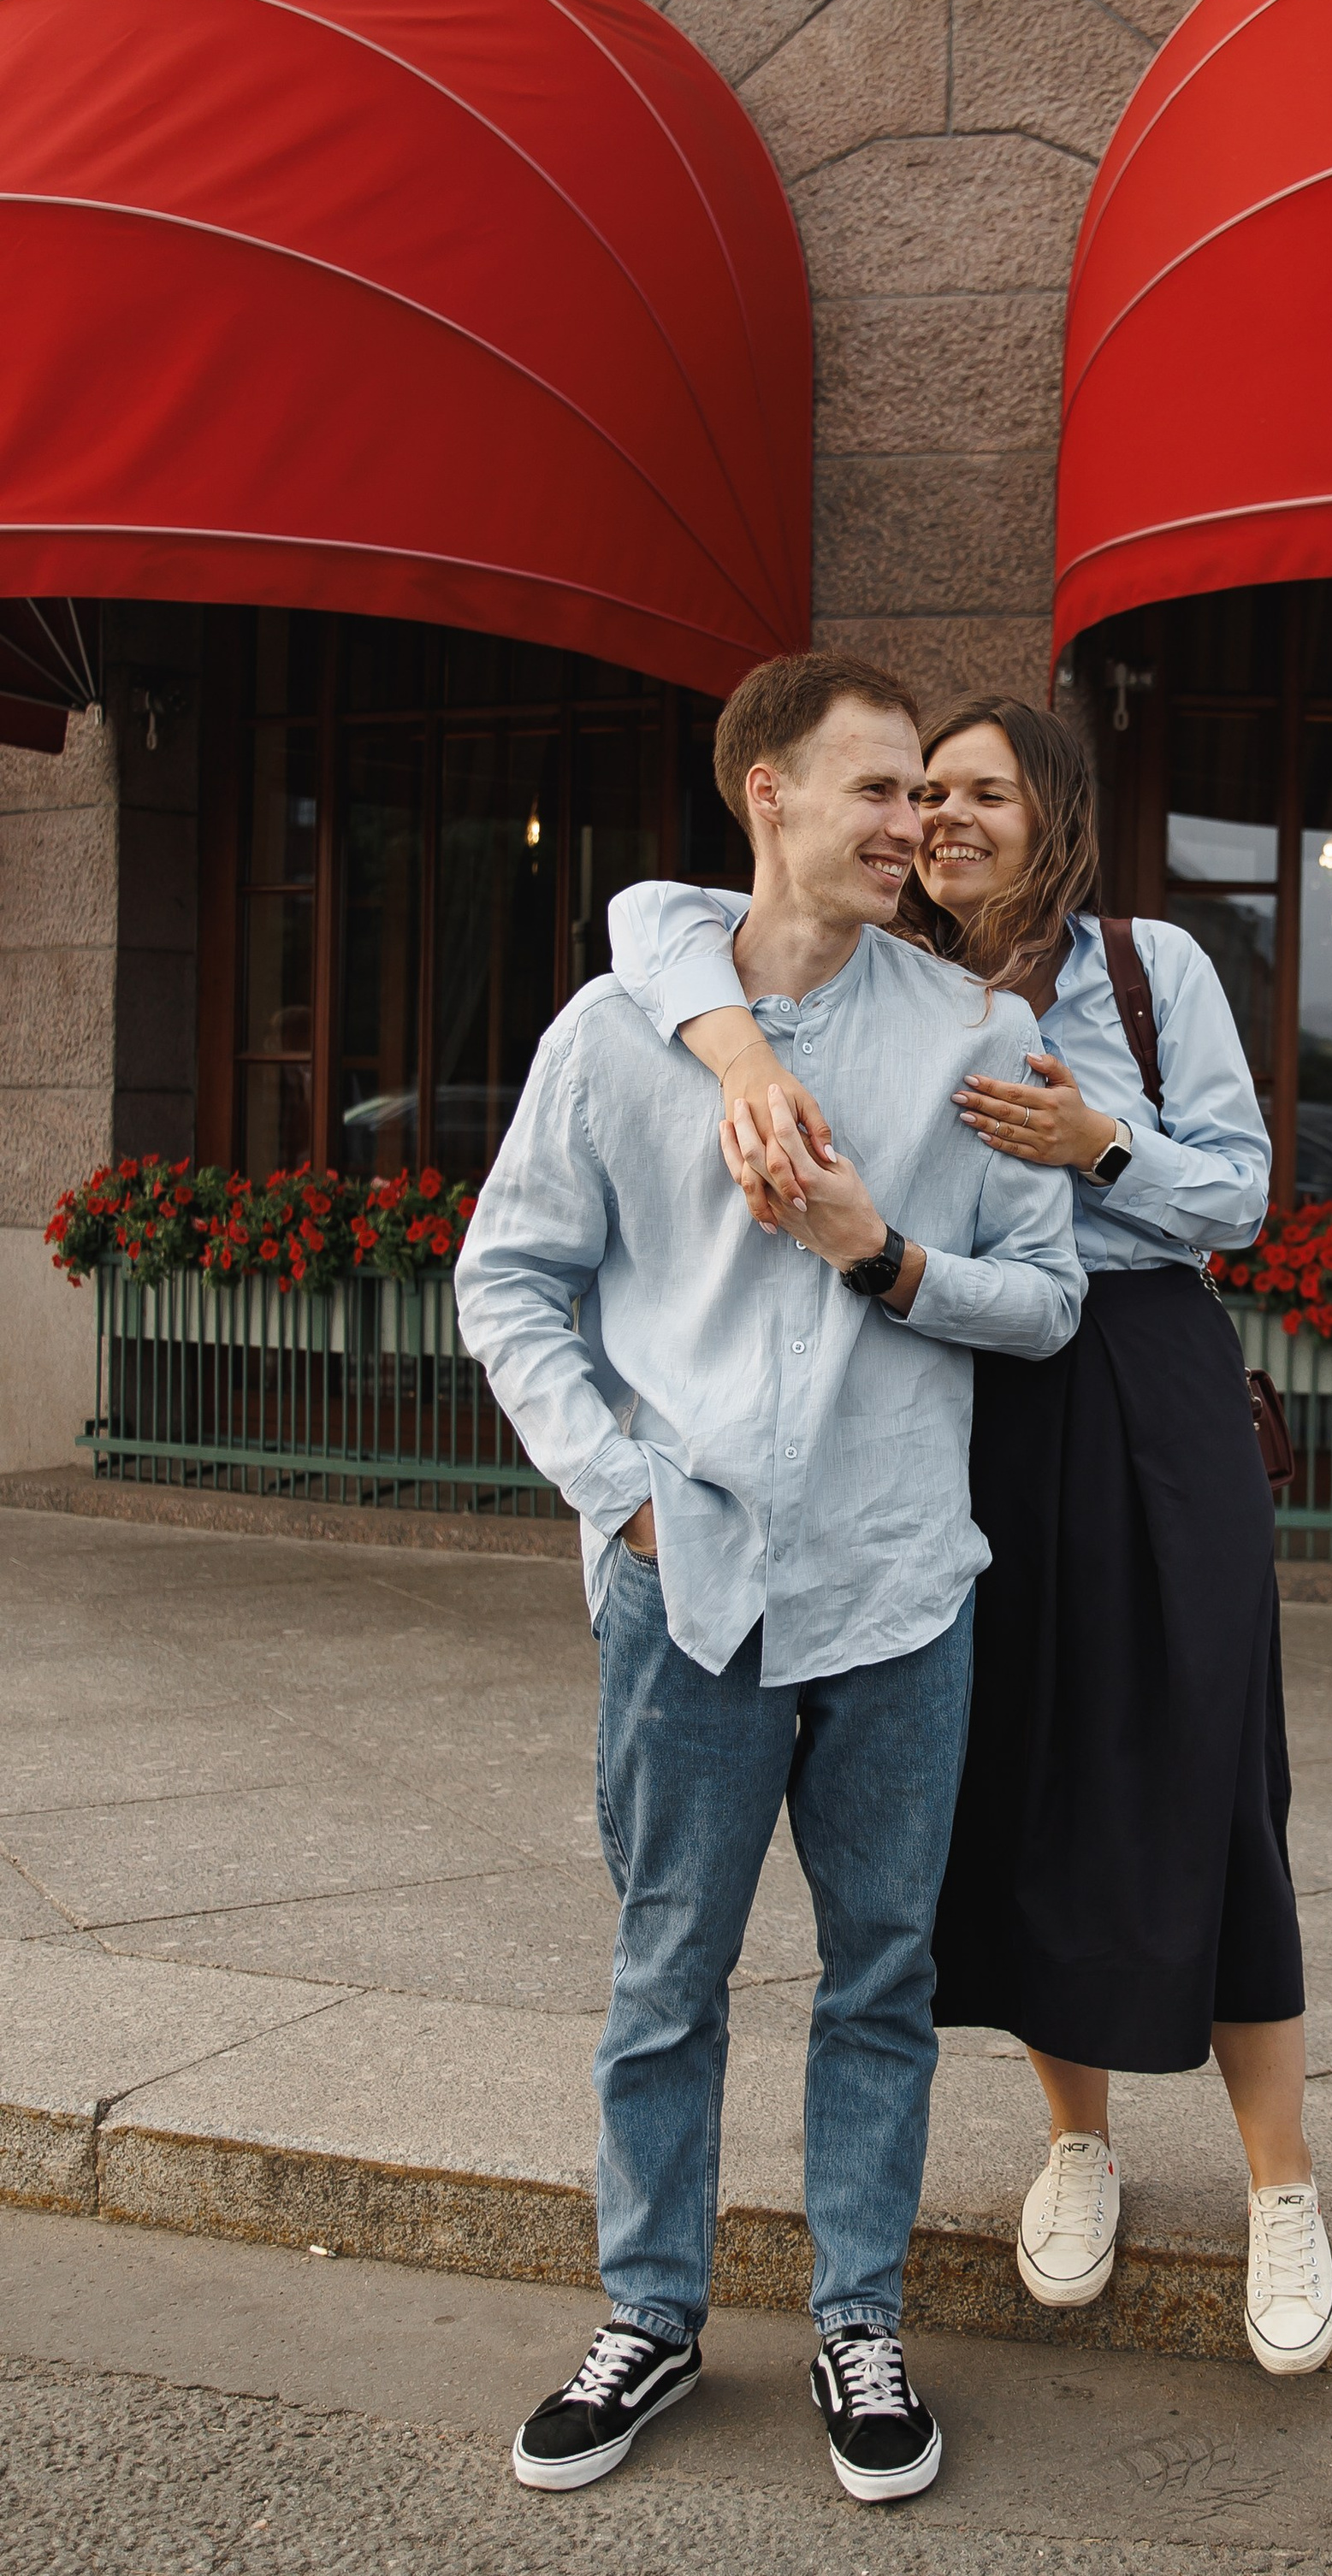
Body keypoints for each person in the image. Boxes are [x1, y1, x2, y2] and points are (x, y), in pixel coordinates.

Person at [608, 694, 1332, 2378]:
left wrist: (1099, 1144)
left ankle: (1279, 2188)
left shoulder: (1151, 970)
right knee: (1004, 1783)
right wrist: (735, 1058)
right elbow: (656, 923)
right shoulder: (873, 971)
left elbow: (1238, 1194)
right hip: (961, 1405)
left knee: (1204, 1777)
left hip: (1150, 1401)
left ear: (1051, 812)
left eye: (979, 790)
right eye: (921, 789)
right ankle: (1077, 2145)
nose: (942, 814)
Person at [455, 654, 1082, 2504]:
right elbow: (509, 1281)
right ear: (769, 797)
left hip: (901, 1588)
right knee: (667, 1971)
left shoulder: (971, 1034)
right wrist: (623, 1497)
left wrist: (884, 1257)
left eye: (927, 796)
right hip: (690, 1587)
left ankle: (857, 2321)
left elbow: (1042, 1304)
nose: (914, 826)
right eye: (876, 790)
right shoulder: (614, 1035)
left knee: (882, 1974)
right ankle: (648, 2315)